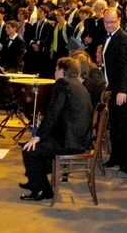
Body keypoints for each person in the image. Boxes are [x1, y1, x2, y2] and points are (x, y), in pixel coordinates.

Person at [19, 57, 94, 201]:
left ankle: (42, 190)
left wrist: (38, 136)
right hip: (79, 138)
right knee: (38, 146)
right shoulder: (77, 84)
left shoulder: (63, 83)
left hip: (71, 142)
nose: (54, 72)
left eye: (56, 69)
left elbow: (53, 112)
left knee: (29, 150)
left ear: (62, 70)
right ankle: (35, 182)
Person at [101, 7, 127, 178]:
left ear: (119, 21)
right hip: (113, 87)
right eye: (106, 22)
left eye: (112, 22)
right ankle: (115, 158)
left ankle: (125, 165)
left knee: (124, 128)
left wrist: (122, 90)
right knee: (114, 127)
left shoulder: (125, 38)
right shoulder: (109, 36)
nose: (108, 25)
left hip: (122, 91)